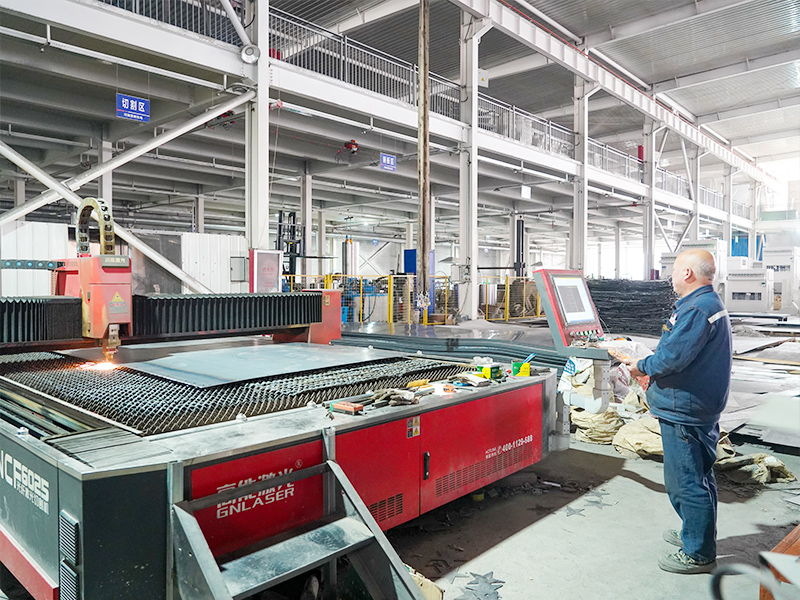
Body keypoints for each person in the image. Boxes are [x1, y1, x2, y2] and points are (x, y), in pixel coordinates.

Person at [624, 249, 732, 574]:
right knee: (700, 475)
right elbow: (678, 352)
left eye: (674, 269)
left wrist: (641, 366)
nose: (670, 275)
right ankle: (695, 533)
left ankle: (698, 552)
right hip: (698, 404)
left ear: (687, 274)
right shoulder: (705, 304)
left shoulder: (698, 308)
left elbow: (673, 358)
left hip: (685, 408)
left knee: (685, 480)